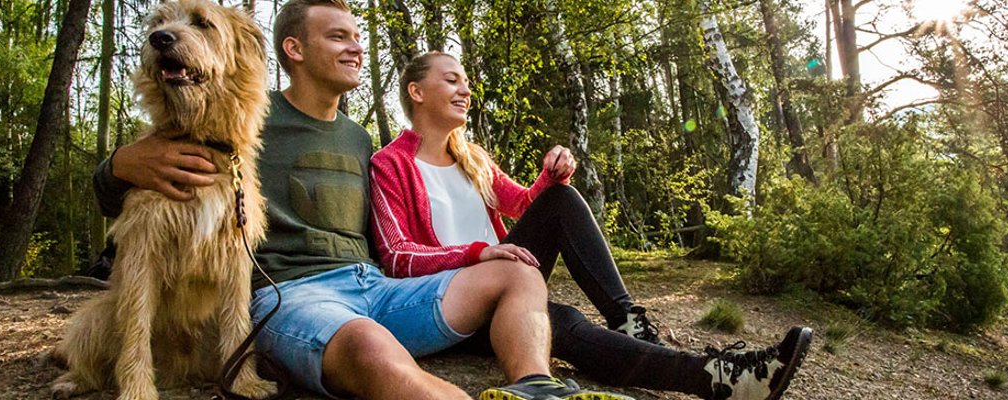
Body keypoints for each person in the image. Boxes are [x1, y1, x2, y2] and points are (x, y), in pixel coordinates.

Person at [90, 1, 633, 399]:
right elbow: (153, 183)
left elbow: (392, 243)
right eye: (339, 37)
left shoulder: (359, 138)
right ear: (294, 50)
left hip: (372, 285)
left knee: (520, 273)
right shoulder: (246, 119)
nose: (357, 47)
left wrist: (476, 250)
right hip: (295, 296)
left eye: (357, 36)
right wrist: (117, 166)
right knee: (370, 346)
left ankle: (535, 388)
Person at [368, 51, 814, 400]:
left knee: (560, 199)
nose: (465, 89)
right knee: (565, 323)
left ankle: (628, 321)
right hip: (453, 303)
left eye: (466, 81)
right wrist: (478, 253)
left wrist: (551, 173)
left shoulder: (473, 157)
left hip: (509, 280)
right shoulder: (389, 163)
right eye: (451, 80)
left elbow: (524, 204)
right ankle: (717, 378)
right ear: (417, 91)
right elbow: (398, 256)